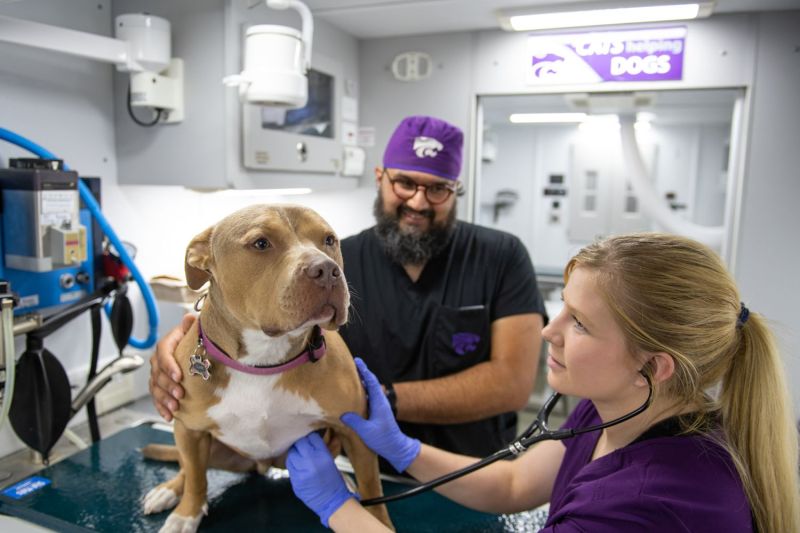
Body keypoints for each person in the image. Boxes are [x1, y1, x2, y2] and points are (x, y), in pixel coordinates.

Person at [286, 232, 800, 532]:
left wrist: (341, 510)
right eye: (562, 310)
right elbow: (516, 483)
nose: (548, 332)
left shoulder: (646, 505)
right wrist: (404, 450)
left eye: (579, 322)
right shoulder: (616, 408)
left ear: (654, 365)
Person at [149, 115, 547, 460]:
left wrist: (360, 403)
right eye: (405, 183)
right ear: (381, 178)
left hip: (476, 469)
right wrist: (181, 348)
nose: (419, 202)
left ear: (456, 190)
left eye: (438, 189)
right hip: (354, 466)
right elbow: (246, 323)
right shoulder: (333, 262)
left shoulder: (501, 256)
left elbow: (512, 386)